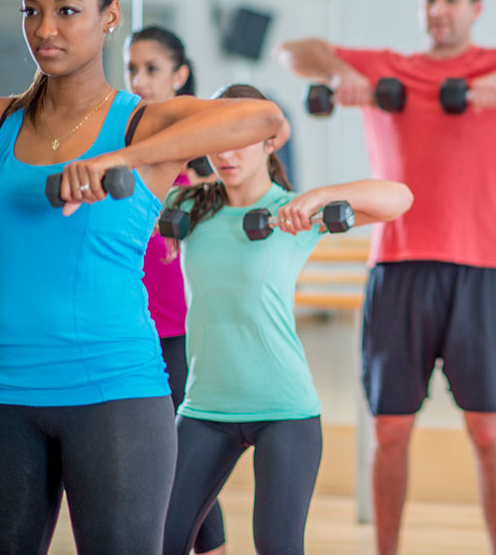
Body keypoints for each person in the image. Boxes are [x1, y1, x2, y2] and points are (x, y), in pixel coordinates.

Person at [0, 0, 287, 555]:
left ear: (110, 17)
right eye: (32, 11)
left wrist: (118, 160)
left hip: (115, 400)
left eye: (67, 10)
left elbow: (261, 119)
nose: (45, 29)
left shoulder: (141, 124)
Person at [276, 0, 496, 555]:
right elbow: (292, 52)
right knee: (390, 431)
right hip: (396, 270)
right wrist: (341, 73)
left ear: (474, 8)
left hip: (479, 274)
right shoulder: (389, 69)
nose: (438, 11)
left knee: (489, 429)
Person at [161, 83, 413, 555]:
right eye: (216, 138)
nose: (226, 154)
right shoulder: (187, 206)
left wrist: (318, 196)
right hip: (205, 408)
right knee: (158, 539)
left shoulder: (293, 214)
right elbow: (133, 183)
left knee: (277, 545)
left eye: (240, 138)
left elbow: (399, 198)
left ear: (270, 142)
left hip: (284, 409)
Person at [125, 25, 227, 555]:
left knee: (188, 464)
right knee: (142, 465)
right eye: (132, 69)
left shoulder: (204, 163)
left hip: (182, 336)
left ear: (180, 75)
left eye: (152, 69)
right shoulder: (120, 152)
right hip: (127, 330)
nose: (139, 80)